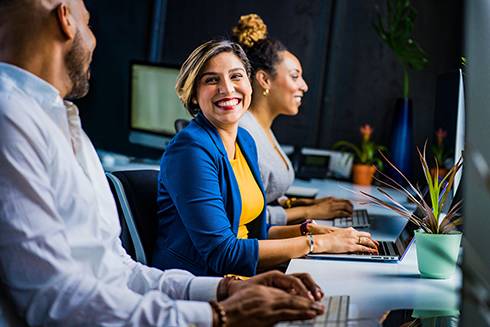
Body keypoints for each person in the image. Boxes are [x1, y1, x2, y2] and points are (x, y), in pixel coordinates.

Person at [0, 1, 327, 326]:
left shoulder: (62, 123)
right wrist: (218, 315)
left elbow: (119, 271)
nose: (95, 39)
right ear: (66, 19)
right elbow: (55, 300)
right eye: (89, 23)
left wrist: (225, 291)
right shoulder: (10, 118)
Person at [153, 39, 378, 277]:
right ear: (194, 95)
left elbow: (254, 234)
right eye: (212, 80)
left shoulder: (245, 140)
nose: (228, 89)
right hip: (199, 284)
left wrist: (315, 232)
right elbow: (223, 253)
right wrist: (317, 244)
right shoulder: (190, 150)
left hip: (242, 277)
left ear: (249, 84)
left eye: (236, 76)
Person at [234, 14, 356, 226]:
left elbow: (265, 196)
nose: (304, 86)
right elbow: (246, 218)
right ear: (264, 80)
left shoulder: (261, 128)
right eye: (294, 76)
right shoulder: (244, 133)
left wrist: (303, 203)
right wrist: (310, 211)